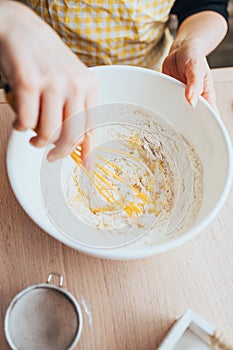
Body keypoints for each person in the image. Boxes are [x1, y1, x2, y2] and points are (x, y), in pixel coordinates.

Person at [0, 0, 229, 166]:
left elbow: (205, 6)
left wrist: (190, 43)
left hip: (147, 78)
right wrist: (10, 17)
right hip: (43, 82)